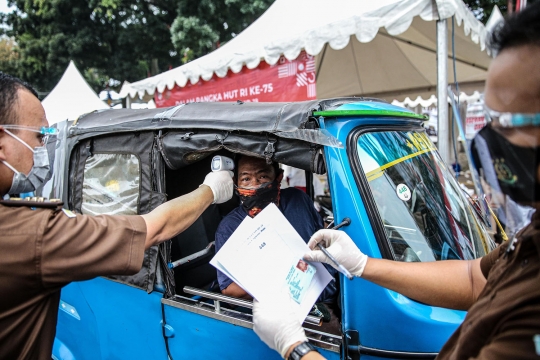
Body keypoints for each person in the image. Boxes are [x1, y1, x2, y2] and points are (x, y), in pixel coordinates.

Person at [252, 3, 540, 359]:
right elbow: (473, 279)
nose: (490, 144)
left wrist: (294, 347)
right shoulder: (531, 240)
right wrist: (362, 264)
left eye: (508, 124)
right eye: (490, 121)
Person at [0, 72, 234, 360]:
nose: (42, 151)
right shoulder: (29, 234)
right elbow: (153, 229)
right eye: (38, 137)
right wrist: (210, 190)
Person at [214, 155, 337, 304]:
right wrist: (278, 269)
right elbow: (230, 290)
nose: (255, 185)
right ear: (236, 183)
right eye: (246, 179)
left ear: (278, 177)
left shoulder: (297, 199)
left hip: (330, 296)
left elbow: (322, 235)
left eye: (263, 176)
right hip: (286, 310)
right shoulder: (229, 227)